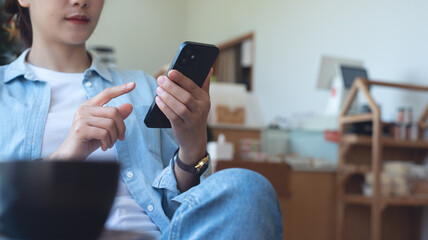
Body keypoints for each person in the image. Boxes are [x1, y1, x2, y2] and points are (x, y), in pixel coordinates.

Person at [0, 0, 283, 239]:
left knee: (247, 187)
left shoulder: (145, 87)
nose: (81, 0)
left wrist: (192, 147)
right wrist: (64, 156)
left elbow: (179, 211)